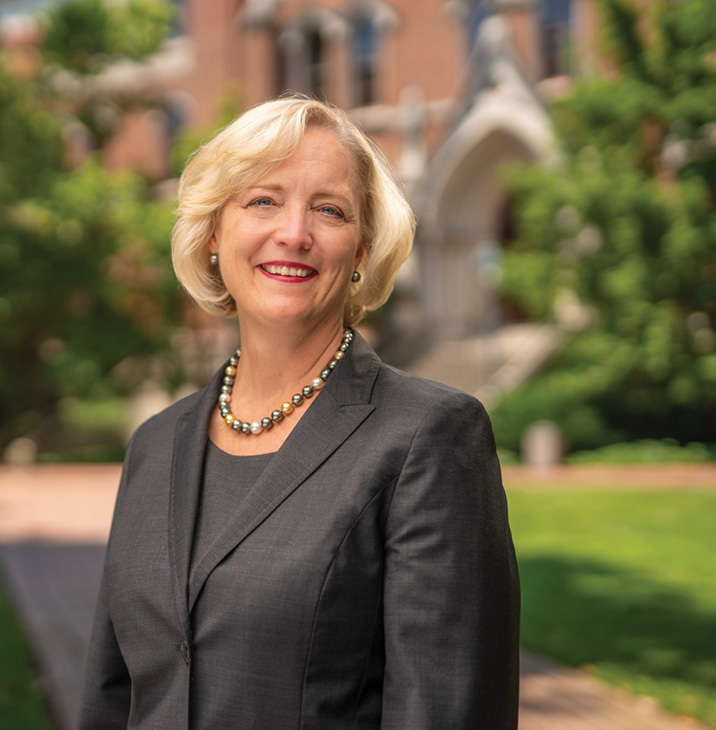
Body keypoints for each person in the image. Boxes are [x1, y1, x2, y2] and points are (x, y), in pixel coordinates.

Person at [77, 96, 520, 730]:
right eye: (263, 201)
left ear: (362, 249)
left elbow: (448, 708)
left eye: (329, 210)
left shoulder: (430, 437)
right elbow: (110, 694)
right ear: (213, 231)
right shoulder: (155, 443)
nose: (293, 233)